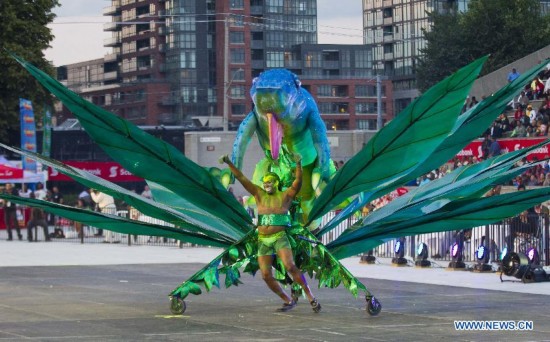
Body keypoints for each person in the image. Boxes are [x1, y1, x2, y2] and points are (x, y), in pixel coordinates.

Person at [220, 154, 321, 313]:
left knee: (290, 266)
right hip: (263, 240)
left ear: (276, 183)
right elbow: (241, 177)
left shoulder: (285, 196)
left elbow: (298, 182)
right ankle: (287, 300)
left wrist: (299, 164)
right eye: (265, 181)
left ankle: (310, 297)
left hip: (280, 238)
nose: (266, 183)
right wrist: (228, 162)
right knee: (266, 275)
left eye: (269, 181)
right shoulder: (259, 194)